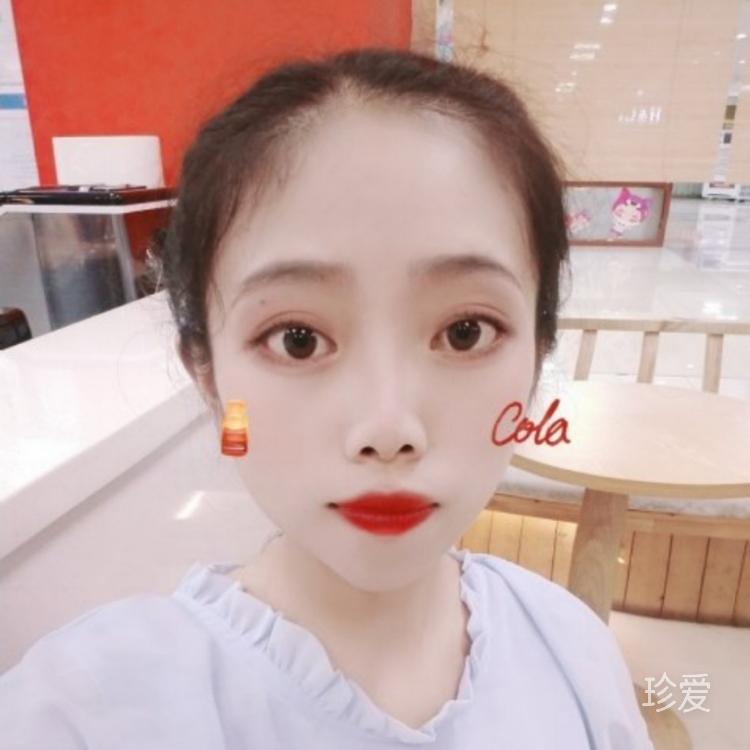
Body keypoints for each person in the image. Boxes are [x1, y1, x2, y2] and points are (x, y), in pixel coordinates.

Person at [0, 47, 654, 749]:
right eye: (298, 340)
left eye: (466, 332)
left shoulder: (573, 651)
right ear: (210, 377)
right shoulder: (82, 712)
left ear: (537, 354)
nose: (387, 428)